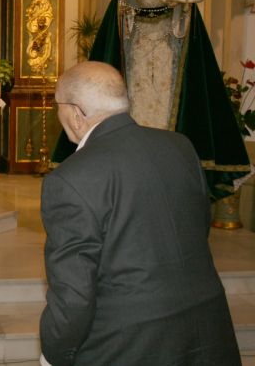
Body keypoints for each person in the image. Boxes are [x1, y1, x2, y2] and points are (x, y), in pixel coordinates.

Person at [39, 61, 241, 366]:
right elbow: (198, 230)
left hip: (126, 344)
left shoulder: (70, 178)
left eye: (58, 106)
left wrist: (55, 354)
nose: (58, 115)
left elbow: (74, 295)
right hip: (204, 330)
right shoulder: (180, 146)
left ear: (77, 113)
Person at [52, 0, 250, 201]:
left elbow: (186, 8)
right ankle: (133, 161)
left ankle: (163, 165)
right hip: (138, 49)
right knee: (136, 100)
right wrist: (127, 17)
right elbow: (118, 7)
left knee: (166, 102)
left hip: (168, 48)